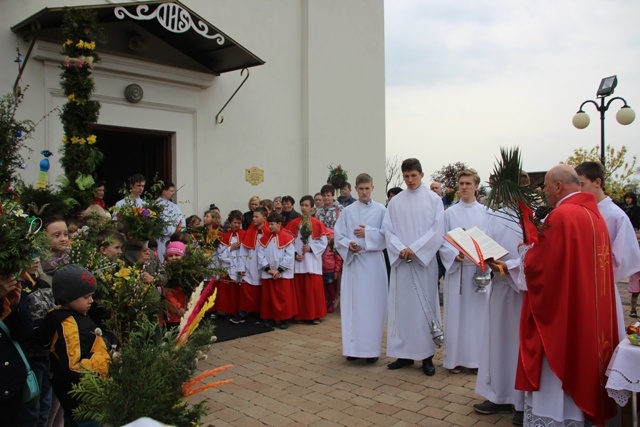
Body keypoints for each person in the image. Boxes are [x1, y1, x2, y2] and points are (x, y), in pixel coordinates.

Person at [516, 164, 618, 427]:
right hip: (587, 309)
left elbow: (540, 268)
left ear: (558, 186)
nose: (545, 193)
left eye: (547, 187)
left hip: (563, 313)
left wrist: (525, 251)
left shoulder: (561, 216)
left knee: (556, 375)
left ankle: (554, 419)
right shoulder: (594, 216)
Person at [472, 171, 530, 425]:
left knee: (520, 346)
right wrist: (482, 256)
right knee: (498, 341)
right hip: (499, 287)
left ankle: (522, 402)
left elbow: (537, 253)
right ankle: (498, 394)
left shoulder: (533, 215)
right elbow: (483, 243)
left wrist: (511, 266)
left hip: (523, 292)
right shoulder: (493, 214)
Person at [384, 158, 444, 376]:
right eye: (406, 176)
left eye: (414, 176)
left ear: (421, 175)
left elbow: (437, 229)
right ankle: (404, 354)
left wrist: (416, 248)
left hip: (422, 264)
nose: (410, 180)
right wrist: (401, 248)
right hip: (402, 262)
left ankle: (426, 356)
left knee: (424, 308)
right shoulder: (396, 201)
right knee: (403, 309)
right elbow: (388, 230)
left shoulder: (433, 200)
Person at [39, 264, 110, 427]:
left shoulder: (72, 318)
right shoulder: (70, 325)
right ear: (68, 297)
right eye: (86, 297)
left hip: (80, 398)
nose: (91, 301)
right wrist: (105, 361)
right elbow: (74, 367)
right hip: (84, 398)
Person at [575, 161, 640, 325]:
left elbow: (627, 258)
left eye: (581, 184)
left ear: (597, 182)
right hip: (578, 287)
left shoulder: (616, 216)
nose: (578, 190)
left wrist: (594, 272)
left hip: (602, 289)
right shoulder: (579, 211)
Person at [439, 169, 489, 374]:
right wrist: (454, 254)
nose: (464, 187)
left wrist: (481, 255)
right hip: (458, 271)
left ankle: (477, 360)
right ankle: (456, 359)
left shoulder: (486, 213)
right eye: (461, 183)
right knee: (456, 316)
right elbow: (442, 240)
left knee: (478, 318)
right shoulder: (449, 213)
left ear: (476, 186)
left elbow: (490, 239)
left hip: (478, 273)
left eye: (468, 183)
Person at [334, 173, 387, 364]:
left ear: (373, 187)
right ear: (356, 189)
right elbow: (338, 236)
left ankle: (371, 350)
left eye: (367, 188)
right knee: (353, 307)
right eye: (361, 188)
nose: (364, 192)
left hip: (373, 264)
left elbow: (388, 235)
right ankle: (353, 348)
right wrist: (349, 244)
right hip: (355, 263)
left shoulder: (382, 210)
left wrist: (368, 233)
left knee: (373, 307)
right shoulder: (348, 212)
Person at [18, 257, 56, 427]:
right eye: (28, 255)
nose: (34, 259)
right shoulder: (17, 287)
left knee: (45, 404)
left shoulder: (44, 284)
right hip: (30, 354)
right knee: (31, 407)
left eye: (36, 254)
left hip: (47, 353)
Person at [286, 195, 328, 324]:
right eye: (302, 205)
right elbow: (287, 241)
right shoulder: (293, 223)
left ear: (312, 208)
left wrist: (310, 248)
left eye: (306, 205)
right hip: (299, 261)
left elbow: (323, 242)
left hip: (312, 262)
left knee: (312, 290)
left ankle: (314, 315)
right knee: (300, 290)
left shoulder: (317, 223)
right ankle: (300, 315)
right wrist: (294, 253)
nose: (304, 208)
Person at [231, 207, 270, 324]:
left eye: (256, 217)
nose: (254, 219)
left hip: (263, 266)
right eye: (253, 216)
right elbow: (243, 250)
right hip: (250, 264)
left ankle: (259, 313)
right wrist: (241, 267)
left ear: (264, 218)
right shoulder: (249, 232)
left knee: (261, 291)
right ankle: (243, 312)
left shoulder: (268, 232)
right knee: (246, 289)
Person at [258, 212, 297, 329]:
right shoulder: (264, 238)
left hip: (282, 274)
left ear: (280, 224)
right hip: (269, 273)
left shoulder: (287, 237)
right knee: (268, 297)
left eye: (272, 224)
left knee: (283, 297)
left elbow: (289, 256)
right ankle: (269, 318)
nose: (269, 227)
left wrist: (279, 270)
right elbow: (260, 255)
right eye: (269, 224)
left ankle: (285, 318)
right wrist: (268, 269)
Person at [213, 210, 246, 318]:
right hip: (227, 266)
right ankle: (225, 310)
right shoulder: (225, 236)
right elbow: (220, 254)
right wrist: (231, 248)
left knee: (237, 290)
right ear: (230, 222)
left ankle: (237, 310)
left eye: (238, 223)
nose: (236, 225)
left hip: (240, 265)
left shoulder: (244, 235)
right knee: (227, 290)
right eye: (234, 222)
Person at [156, 182, 186, 263]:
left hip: (173, 239)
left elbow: (181, 220)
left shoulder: (174, 206)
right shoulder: (155, 205)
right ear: (164, 191)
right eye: (171, 191)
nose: (173, 193)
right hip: (161, 238)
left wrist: (176, 233)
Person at [161, 241, 188, 328]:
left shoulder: (188, 272)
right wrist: (178, 308)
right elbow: (166, 293)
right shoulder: (165, 272)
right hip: (171, 314)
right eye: (170, 255)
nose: (174, 258)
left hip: (186, 311)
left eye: (177, 255)